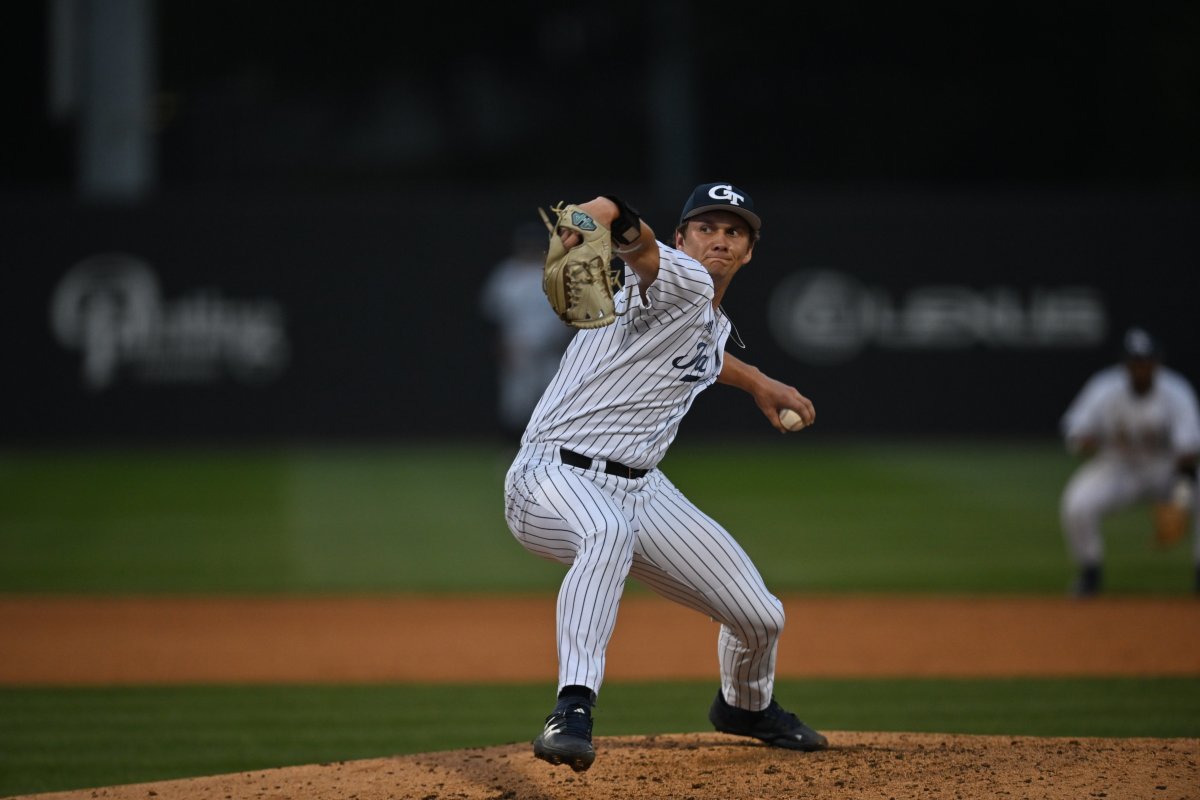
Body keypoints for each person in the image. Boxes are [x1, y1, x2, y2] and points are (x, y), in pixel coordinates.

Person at [502, 183, 827, 773]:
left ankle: (744, 706)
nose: (721, 240)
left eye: (735, 232)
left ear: (750, 250)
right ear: (683, 239)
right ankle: (571, 710)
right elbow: (636, 243)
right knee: (606, 534)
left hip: (641, 489)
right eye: (707, 228)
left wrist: (758, 382)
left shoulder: (711, 318)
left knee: (760, 617)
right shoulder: (681, 276)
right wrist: (607, 212)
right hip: (550, 474)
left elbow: (704, 350)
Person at [1059, 326, 1200, 597]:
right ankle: (1090, 574)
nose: (1141, 368)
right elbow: (1073, 429)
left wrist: (1180, 502)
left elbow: (1188, 452)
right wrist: (1082, 442)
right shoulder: (1104, 387)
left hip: (1165, 468)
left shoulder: (1176, 390)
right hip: (1118, 467)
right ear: (1125, 364)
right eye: (1135, 362)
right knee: (1077, 503)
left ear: (1157, 362)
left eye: (1146, 362)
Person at [480, 223, 575, 436]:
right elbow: (494, 316)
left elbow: (571, 315)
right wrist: (500, 346)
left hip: (552, 349)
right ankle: (512, 452)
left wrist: (567, 346)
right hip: (518, 348)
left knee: (555, 402)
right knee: (516, 404)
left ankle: (552, 451)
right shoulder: (506, 275)